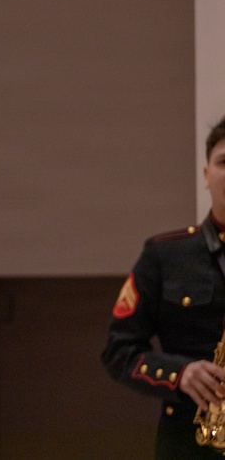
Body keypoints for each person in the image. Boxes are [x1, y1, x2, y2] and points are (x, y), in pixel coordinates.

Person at [103, 115, 225, 459]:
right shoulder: (164, 254)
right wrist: (179, 374)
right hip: (188, 443)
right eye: (224, 162)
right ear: (205, 175)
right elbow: (118, 351)